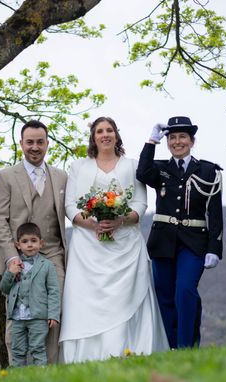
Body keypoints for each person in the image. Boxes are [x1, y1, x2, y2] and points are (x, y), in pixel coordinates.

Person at [59, 116, 168, 363]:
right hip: (87, 248)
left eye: (109, 130)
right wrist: (92, 224)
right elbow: (69, 205)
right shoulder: (78, 167)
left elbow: (141, 203)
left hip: (126, 244)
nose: (105, 134)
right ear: (93, 137)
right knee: (87, 302)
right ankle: (86, 356)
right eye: (100, 131)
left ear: (117, 135)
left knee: (126, 300)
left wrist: (119, 222)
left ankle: (132, 350)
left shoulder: (131, 165)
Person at [137, 116, 223, 349]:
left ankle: (187, 346)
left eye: (182, 137)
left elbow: (215, 214)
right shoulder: (160, 168)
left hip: (194, 242)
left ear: (191, 141)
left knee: (185, 290)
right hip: (162, 241)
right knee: (164, 295)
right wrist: (151, 142)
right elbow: (142, 173)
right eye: (172, 137)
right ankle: (171, 346)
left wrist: (215, 248)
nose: (177, 142)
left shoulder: (207, 170)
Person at [0, 120, 68, 364]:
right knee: (16, 315)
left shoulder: (61, 176)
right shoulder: (5, 177)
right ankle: (18, 369)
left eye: (40, 142)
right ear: (22, 144)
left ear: (47, 144)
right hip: (18, 257)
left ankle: (49, 369)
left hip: (53, 254)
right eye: (30, 142)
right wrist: (11, 257)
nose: (35, 147)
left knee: (54, 312)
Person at [0, 223, 61, 366]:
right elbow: (4, 288)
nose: (30, 245)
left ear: (41, 243)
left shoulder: (47, 265)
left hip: (38, 317)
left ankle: (41, 377)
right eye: (25, 241)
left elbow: (53, 291)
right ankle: (18, 377)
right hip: (17, 317)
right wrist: (10, 273)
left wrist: (53, 314)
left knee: (37, 348)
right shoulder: (14, 266)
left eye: (33, 241)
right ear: (18, 245)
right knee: (17, 350)